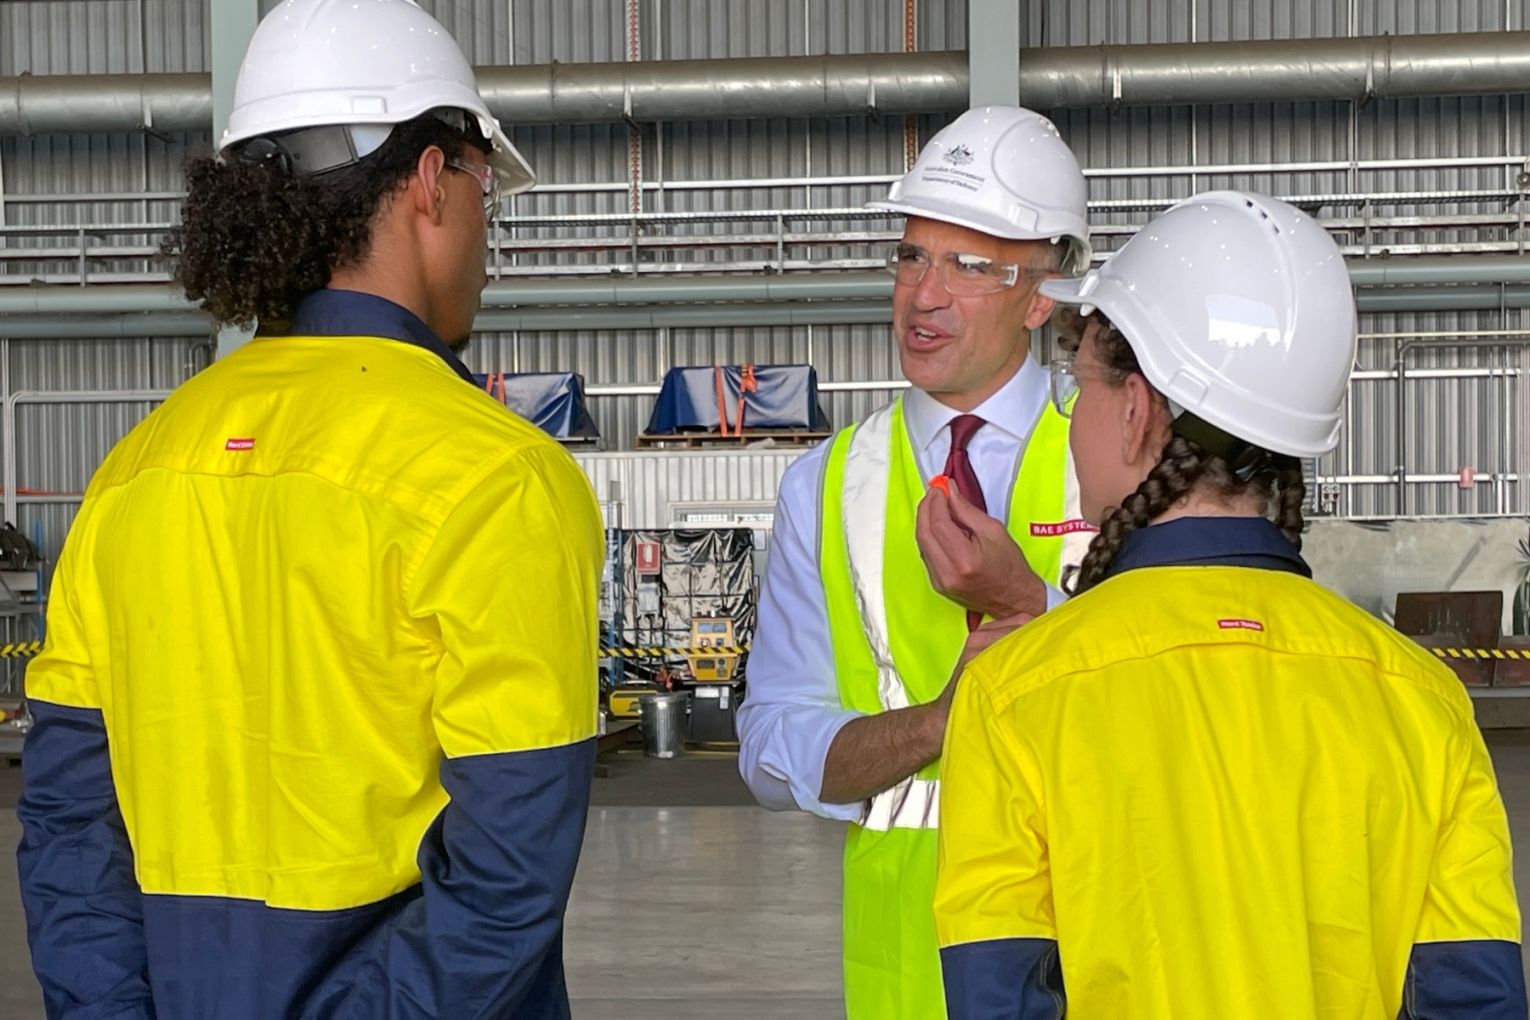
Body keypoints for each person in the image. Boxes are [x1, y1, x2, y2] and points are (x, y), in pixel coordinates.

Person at [16, 1, 603, 1017]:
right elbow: (506, 880)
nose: (483, 236)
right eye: (482, 193)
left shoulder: (131, 474)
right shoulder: (495, 476)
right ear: (430, 181)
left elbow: (72, 832)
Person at [935, 190, 1526, 1018]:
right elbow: (1471, 996)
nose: (1072, 424)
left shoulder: (1018, 697)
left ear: (1136, 409)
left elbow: (1000, 995)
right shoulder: (1422, 702)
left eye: (1081, 391)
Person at [737, 105, 1095, 1019]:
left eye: (969, 265)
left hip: (1096, 953)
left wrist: (1031, 620)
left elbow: (1179, 715)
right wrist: (937, 725)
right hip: (908, 973)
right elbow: (772, 748)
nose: (923, 295)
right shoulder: (826, 484)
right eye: (912, 256)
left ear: (1043, 290)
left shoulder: (1120, 461)